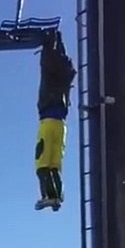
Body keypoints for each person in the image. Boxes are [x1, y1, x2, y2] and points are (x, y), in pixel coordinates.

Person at [34, 30, 77, 212]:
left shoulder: (50, 67)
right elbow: (62, 58)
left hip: (48, 121)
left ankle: (48, 196)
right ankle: (57, 196)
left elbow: (47, 62)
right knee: (55, 163)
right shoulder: (66, 72)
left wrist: (46, 44)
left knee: (42, 161)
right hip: (61, 124)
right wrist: (58, 41)